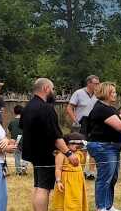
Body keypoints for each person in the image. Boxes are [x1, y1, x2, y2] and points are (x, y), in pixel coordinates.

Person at [21, 78, 78, 211]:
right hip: (45, 153)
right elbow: (56, 136)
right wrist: (69, 153)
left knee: (38, 186)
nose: (53, 92)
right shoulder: (46, 108)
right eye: (52, 89)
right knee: (44, 188)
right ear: (46, 88)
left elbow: (23, 127)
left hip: (33, 152)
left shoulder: (28, 107)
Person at [86, 82, 121, 211]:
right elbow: (120, 125)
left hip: (113, 146)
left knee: (112, 177)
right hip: (103, 146)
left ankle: (108, 205)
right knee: (105, 178)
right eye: (112, 92)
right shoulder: (102, 109)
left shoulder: (111, 108)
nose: (115, 94)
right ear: (106, 93)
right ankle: (101, 206)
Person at [66, 74, 100, 179]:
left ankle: (91, 172)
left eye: (98, 83)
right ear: (89, 83)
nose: (97, 85)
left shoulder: (98, 94)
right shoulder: (79, 93)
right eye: (95, 83)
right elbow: (69, 108)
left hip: (94, 124)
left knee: (93, 148)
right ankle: (81, 171)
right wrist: (75, 120)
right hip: (82, 124)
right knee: (82, 148)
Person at [53, 132, 87, 211]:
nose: (78, 147)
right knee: (67, 199)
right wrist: (58, 181)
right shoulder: (61, 155)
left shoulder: (78, 154)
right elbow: (58, 169)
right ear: (67, 144)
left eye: (80, 145)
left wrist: (84, 151)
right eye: (75, 144)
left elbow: (82, 163)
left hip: (78, 181)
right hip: (66, 182)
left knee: (77, 198)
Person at [8, 104, 27, 175]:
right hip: (25, 141)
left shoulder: (12, 122)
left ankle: (18, 171)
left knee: (17, 156)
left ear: (14, 112)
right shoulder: (25, 121)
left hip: (16, 141)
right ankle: (24, 168)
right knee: (25, 156)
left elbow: (8, 131)